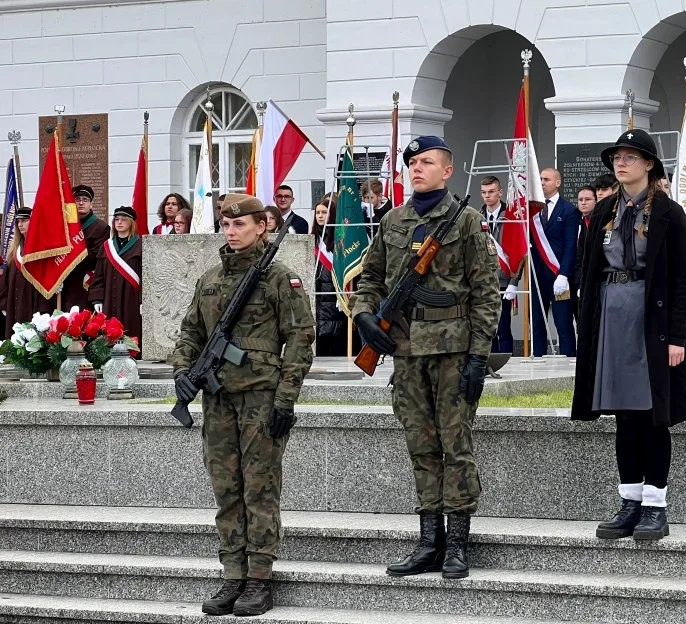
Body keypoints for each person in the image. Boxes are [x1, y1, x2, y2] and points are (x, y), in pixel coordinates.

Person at [350, 136, 499, 580]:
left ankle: (456, 544)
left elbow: (486, 294)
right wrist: (363, 316)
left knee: (456, 446)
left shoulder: (467, 221)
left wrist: (479, 357)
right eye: (412, 162)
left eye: (427, 162)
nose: (417, 168)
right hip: (406, 351)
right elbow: (370, 275)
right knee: (421, 446)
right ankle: (428, 542)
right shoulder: (393, 220)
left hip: (453, 350)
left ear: (447, 170)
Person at [168, 194, 315, 616]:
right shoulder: (210, 278)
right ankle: (233, 574)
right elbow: (191, 331)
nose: (232, 232)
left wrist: (286, 399)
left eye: (241, 225)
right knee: (226, 488)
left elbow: (301, 339)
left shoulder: (278, 279)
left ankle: (259, 579)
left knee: (260, 488)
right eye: (226, 226)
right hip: (218, 400)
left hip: (261, 397)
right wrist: (182, 372)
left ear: (262, 227)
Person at [572, 129, 686, 543]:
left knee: (652, 415)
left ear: (650, 165)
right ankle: (629, 503)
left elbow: (680, 280)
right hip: (611, 315)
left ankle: (655, 505)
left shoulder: (669, 214)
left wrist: (678, 335)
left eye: (630, 157)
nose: (621, 163)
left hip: (652, 321)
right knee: (624, 415)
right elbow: (587, 269)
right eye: (617, 158)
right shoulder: (604, 210)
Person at [530, 167, 580, 356]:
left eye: (547, 179)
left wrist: (564, 274)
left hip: (558, 275)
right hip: (537, 274)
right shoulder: (532, 210)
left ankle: (569, 365)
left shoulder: (569, 210)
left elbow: (570, 246)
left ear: (557, 183)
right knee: (536, 324)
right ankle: (538, 362)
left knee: (563, 323)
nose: (542, 182)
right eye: (541, 179)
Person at [89, 205, 143, 345]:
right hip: (109, 298)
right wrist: (97, 299)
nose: (119, 222)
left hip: (132, 298)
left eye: (123, 219)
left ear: (131, 222)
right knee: (110, 332)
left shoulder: (141, 245)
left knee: (131, 328)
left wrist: (144, 300)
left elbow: (146, 277)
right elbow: (99, 276)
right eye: (116, 219)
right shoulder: (106, 246)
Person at [0, 206, 52, 338]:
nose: (20, 224)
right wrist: (4, 303)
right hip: (15, 304)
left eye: (24, 220)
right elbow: (5, 281)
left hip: (35, 304)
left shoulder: (42, 250)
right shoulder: (15, 250)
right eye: (18, 221)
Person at [479, 176, 517, 354]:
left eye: (491, 192)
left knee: (503, 328)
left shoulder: (511, 218)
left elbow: (519, 252)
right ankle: (490, 362)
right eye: (484, 192)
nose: (487, 196)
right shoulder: (477, 218)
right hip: (484, 282)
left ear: (500, 192)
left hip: (503, 281)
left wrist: (514, 282)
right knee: (487, 329)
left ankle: (507, 364)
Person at [61, 185, 110, 313]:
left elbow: (97, 256)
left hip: (85, 282)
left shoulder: (100, 227)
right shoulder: (64, 226)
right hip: (63, 280)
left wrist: (73, 253)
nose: (81, 203)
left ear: (91, 204)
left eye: (85, 200)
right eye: (77, 200)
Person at [313, 197, 347, 356]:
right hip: (318, 297)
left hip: (335, 297)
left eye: (324, 213)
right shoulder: (312, 239)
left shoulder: (339, 240)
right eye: (317, 212)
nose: (320, 216)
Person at [573, 185, 598, 307]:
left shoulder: (600, 222)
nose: (583, 203)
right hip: (578, 279)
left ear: (596, 200)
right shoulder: (577, 220)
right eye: (580, 200)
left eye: (587, 199)